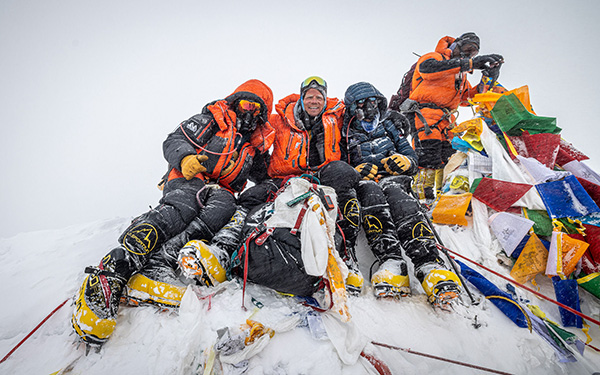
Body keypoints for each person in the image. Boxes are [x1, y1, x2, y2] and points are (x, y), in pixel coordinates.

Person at [71, 79, 275, 346]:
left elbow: (268, 173)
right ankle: (114, 269)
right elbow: (174, 140)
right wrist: (185, 158)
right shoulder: (211, 120)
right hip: (189, 177)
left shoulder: (253, 147)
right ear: (235, 102)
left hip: (220, 191)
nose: (250, 111)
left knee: (226, 208)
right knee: (185, 206)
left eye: (257, 108)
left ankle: (158, 263)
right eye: (246, 103)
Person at [211, 76, 364, 295]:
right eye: (309, 96)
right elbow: (254, 134)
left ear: (325, 100)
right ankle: (225, 247)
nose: (314, 101)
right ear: (302, 98)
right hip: (285, 178)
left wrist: (392, 118)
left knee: (343, 175)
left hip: (322, 175)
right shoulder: (278, 120)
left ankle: (347, 258)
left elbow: (361, 118)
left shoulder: (336, 116)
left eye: (319, 97)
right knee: (248, 198)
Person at [342, 81, 462, 304]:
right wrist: (355, 171)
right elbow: (339, 163)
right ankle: (391, 260)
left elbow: (412, 157)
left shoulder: (390, 127)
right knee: (372, 197)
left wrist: (406, 162)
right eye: (361, 104)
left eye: (373, 102)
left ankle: (429, 262)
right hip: (365, 182)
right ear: (351, 108)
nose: (369, 109)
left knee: (399, 199)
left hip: (394, 179)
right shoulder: (344, 132)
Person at [405, 32, 503, 201]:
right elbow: (427, 69)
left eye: (473, 53)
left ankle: (445, 198)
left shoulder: (460, 75)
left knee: (451, 158)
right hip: (425, 115)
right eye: (467, 49)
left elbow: (470, 97)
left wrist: (490, 76)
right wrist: (470, 63)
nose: (468, 54)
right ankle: (422, 199)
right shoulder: (434, 57)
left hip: (447, 120)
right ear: (456, 45)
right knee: (428, 158)